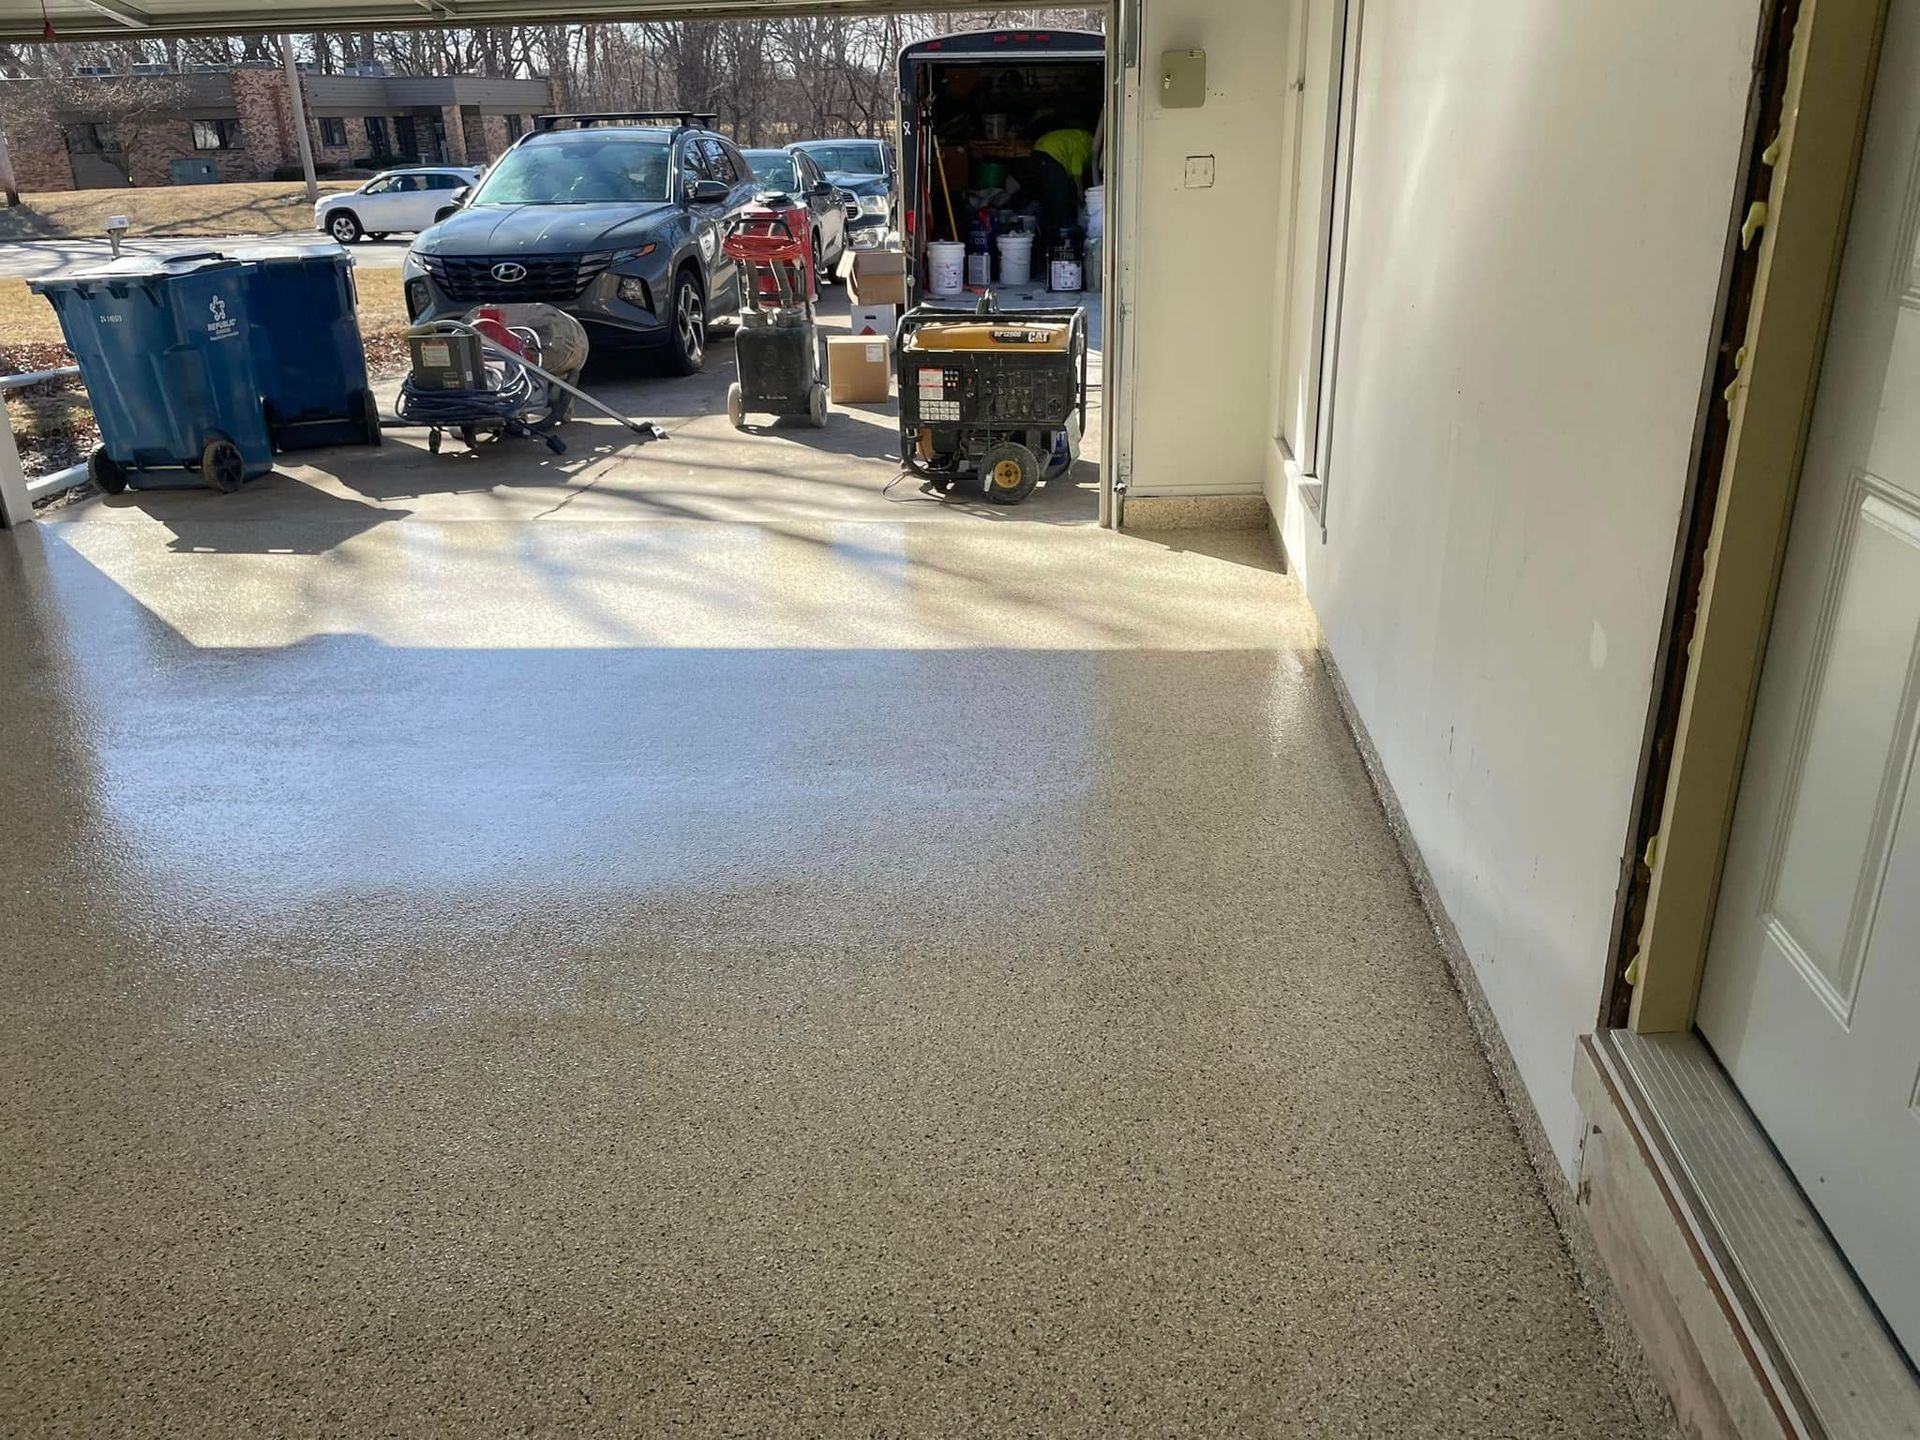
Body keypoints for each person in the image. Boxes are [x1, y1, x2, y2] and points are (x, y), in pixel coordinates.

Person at [1025, 123, 1095, 237]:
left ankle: (1045, 235)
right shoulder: (1086, 143)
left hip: (1037, 153)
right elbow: (1076, 170)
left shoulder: (1078, 136)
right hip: (1051, 156)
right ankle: (1061, 238)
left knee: (1046, 200)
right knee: (1059, 202)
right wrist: (1081, 196)